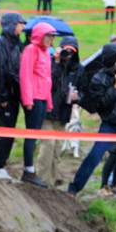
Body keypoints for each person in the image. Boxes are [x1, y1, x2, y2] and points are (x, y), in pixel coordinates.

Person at [67, 43, 116, 204]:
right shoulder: (98, 79)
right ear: (111, 58)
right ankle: (74, 189)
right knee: (94, 156)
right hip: (111, 125)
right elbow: (101, 105)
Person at [36, 36, 84, 188]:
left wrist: (78, 97)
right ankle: (41, 182)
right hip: (47, 112)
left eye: (72, 52)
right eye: (65, 51)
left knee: (56, 150)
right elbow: (47, 83)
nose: (68, 55)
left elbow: (83, 91)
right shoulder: (50, 63)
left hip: (63, 115)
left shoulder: (79, 70)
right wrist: (56, 62)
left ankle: (51, 184)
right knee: (48, 146)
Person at [19, 22, 57, 188]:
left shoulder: (46, 53)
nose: (51, 39)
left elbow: (47, 78)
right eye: (48, 35)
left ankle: (29, 170)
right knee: (31, 134)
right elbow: (25, 75)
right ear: (40, 35)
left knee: (35, 134)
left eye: (52, 36)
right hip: (33, 98)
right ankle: (29, 171)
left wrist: (49, 100)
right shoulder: (31, 49)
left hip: (42, 98)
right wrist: (27, 100)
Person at [0, 12, 25, 181]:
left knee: (10, 129)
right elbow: (0, 70)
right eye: (19, 23)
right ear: (11, 24)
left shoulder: (15, 45)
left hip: (14, 95)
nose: (22, 27)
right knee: (4, 128)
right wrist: (2, 96)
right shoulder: (0, 43)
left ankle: (2, 164)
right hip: (4, 95)